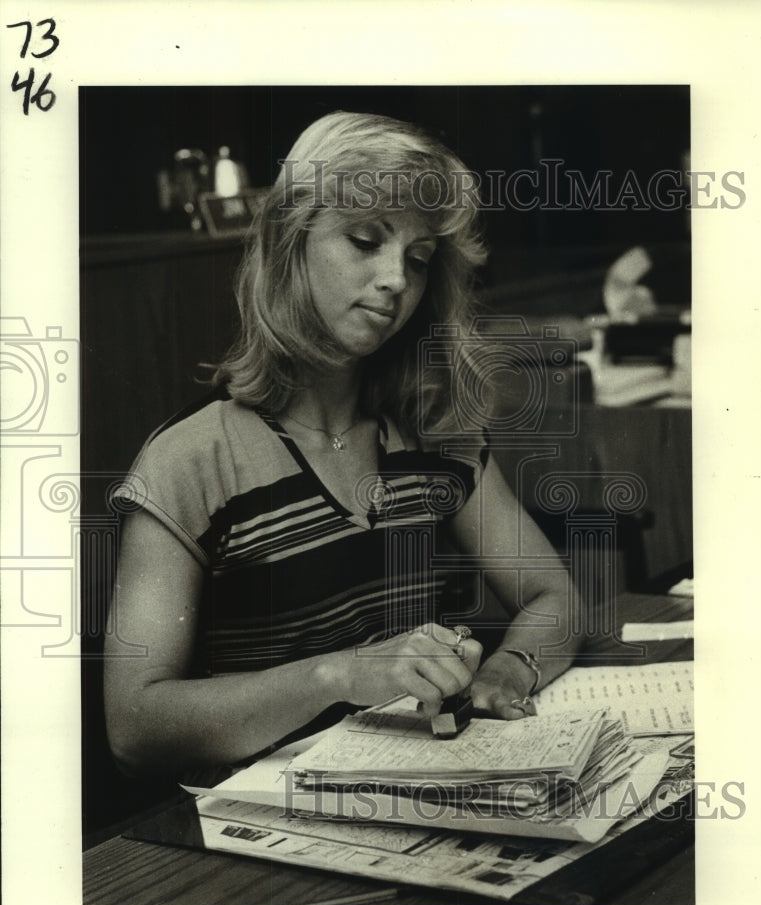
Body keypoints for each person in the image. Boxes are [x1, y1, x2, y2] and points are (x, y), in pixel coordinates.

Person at [104, 110, 582, 777]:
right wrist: (336, 675)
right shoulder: (189, 461)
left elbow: (553, 599)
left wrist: (508, 669)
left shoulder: (437, 436)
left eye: (416, 261)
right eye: (364, 241)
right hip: (255, 831)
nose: (395, 280)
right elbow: (133, 723)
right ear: (289, 243)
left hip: (424, 784)